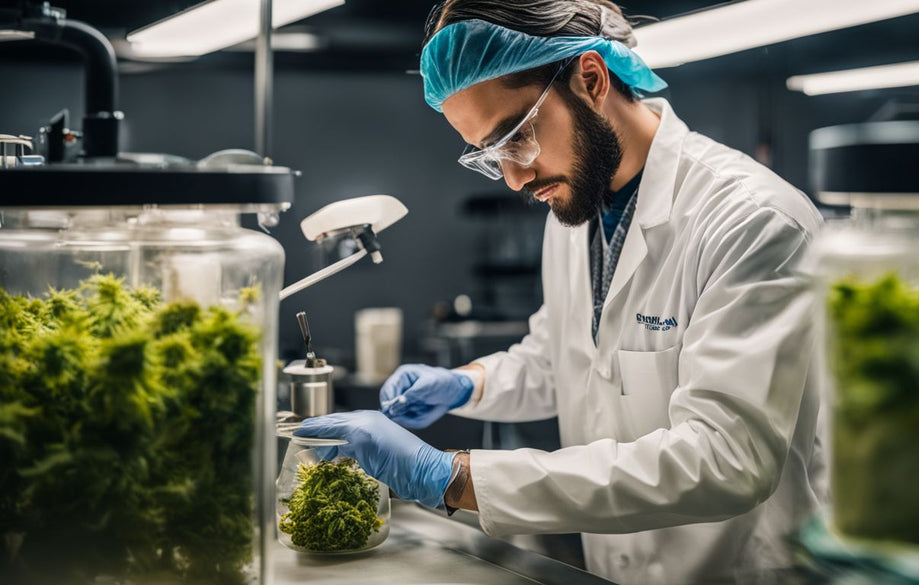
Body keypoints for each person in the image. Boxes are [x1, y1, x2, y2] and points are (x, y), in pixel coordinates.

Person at [296, 1, 828, 583]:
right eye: (491, 157)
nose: (516, 179)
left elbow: (727, 458)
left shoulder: (752, 220)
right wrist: (465, 384)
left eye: (517, 137)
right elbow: (563, 359)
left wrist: (452, 477)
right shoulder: (573, 211)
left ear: (591, 79)